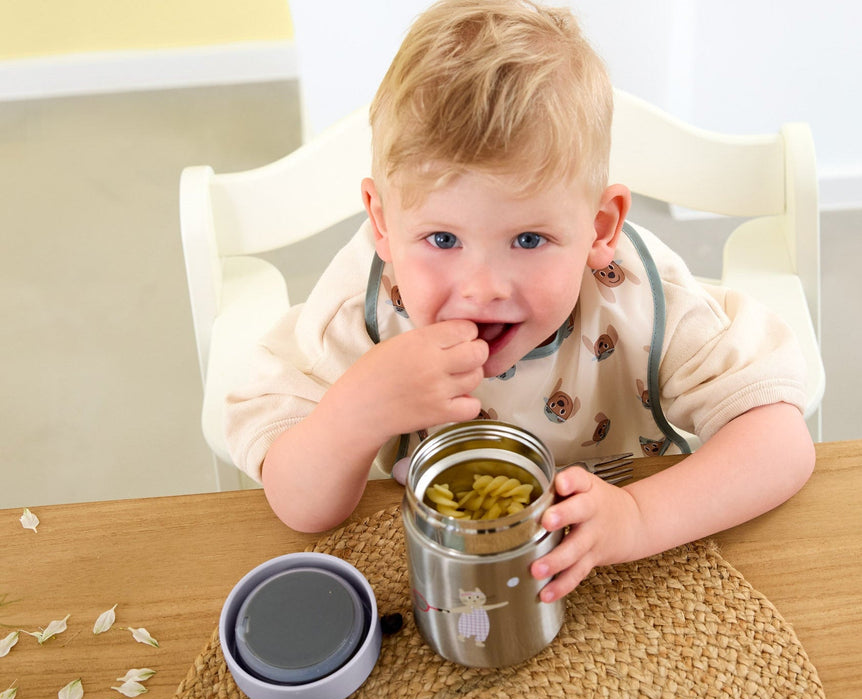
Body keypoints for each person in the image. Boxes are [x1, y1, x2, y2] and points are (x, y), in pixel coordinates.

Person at [224, 0, 815, 604]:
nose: (483, 288)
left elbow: (780, 444)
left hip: (628, 580)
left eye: (529, 239)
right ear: (382, 221)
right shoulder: (363, 311)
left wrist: (638, 516)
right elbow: (301, 507)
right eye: (442, 239)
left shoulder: (639, 295)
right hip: (455, 583)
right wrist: (357, 411)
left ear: (600, 227)